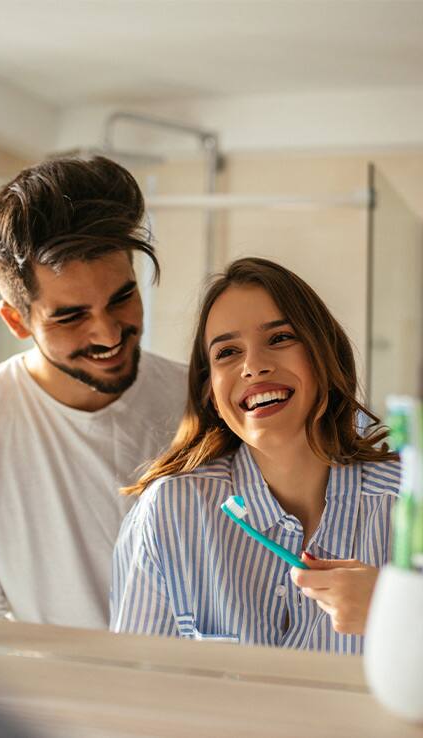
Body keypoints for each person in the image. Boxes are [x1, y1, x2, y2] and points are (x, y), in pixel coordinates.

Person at [0, 156, 187, 628]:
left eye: (122, 298)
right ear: (17, 321)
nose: (109, 334)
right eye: (71, 316)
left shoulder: (204, 400)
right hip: (53, 697)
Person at [111, 257, 399, 654]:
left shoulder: (406, 504)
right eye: (227, 352)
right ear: (210, 390)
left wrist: (400, 613)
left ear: (323, 353)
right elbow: (134, 690)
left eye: (280, 338)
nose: (254, 366)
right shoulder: (171, 512)